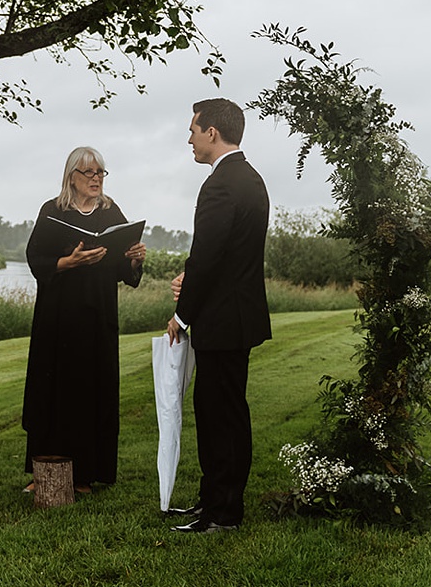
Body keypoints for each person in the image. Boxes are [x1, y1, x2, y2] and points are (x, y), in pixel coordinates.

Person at [166, 97, 271, 534]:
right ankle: (215, 502)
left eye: (193, 129)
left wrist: (182, 314)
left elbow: (208, 257)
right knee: (224, 413)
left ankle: (222, 514)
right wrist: (189, 274)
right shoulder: (250, 178)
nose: (189, 137)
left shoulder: (221, 184)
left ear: (212, 132)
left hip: (222, 321)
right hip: (238, 316)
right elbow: (223, 256)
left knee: (219, 416)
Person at [22, 147, 146, 494]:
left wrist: (134, 260)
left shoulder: (111, 211)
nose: (95, 179)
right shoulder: (53, 211)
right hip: (58, 317)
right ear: (71, 177)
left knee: (91, 391)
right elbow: (36, 260)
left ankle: (85, 475)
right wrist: (68, 262)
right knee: (53, 391)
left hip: (98, 314)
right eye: (88, 173)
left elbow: (124, 268)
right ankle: (43, 472)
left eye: (100, 173)